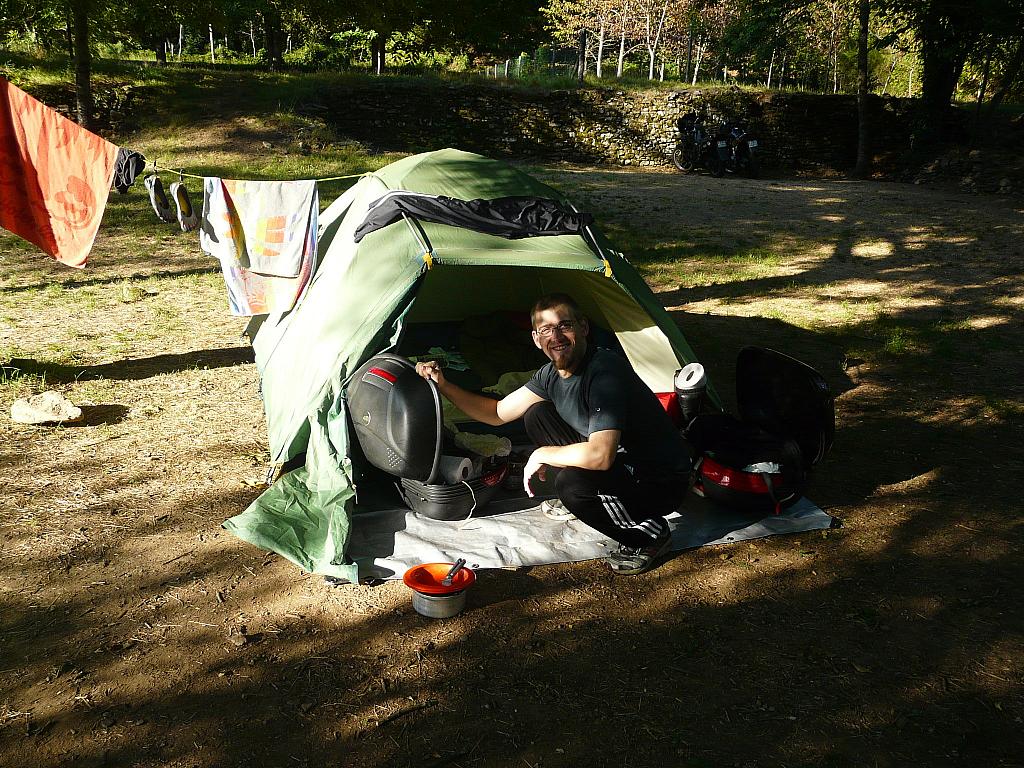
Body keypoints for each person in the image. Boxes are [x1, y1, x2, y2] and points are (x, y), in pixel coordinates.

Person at [414, 293, 691, 575]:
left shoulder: (604, 372)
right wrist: (443, 383)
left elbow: (601, 455)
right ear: (536, 339)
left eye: (564, 326)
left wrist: (543, 454)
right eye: (546, 329)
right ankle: (596, 498)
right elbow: (496, 413)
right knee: (537, 415)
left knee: (572, 485)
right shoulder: (549, 375)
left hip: (659, 480)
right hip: (621, 464)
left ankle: (649, 535)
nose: (556, 336)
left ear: (583, 328)